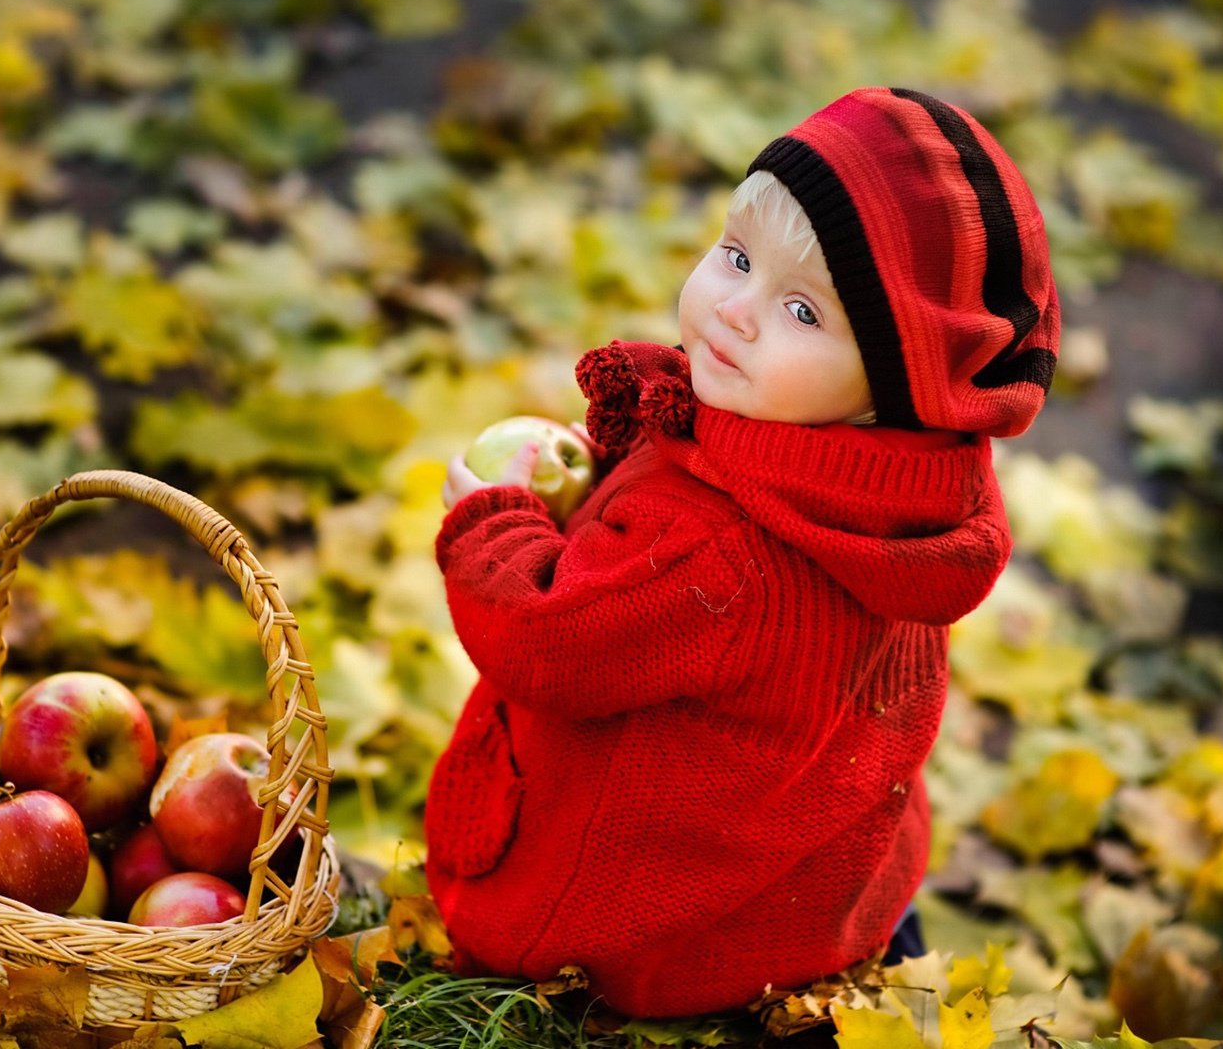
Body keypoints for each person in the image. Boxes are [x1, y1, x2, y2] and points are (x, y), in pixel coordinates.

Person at [425, 87, 1060, 1019]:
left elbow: (546, 636)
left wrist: (498, 520)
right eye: (735, 256)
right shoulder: (894, 505)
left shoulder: (716, 547)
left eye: (804, 312)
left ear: (896, 386)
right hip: (801, 894)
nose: (737, 310)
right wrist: (604, 474)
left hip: (647, 943)